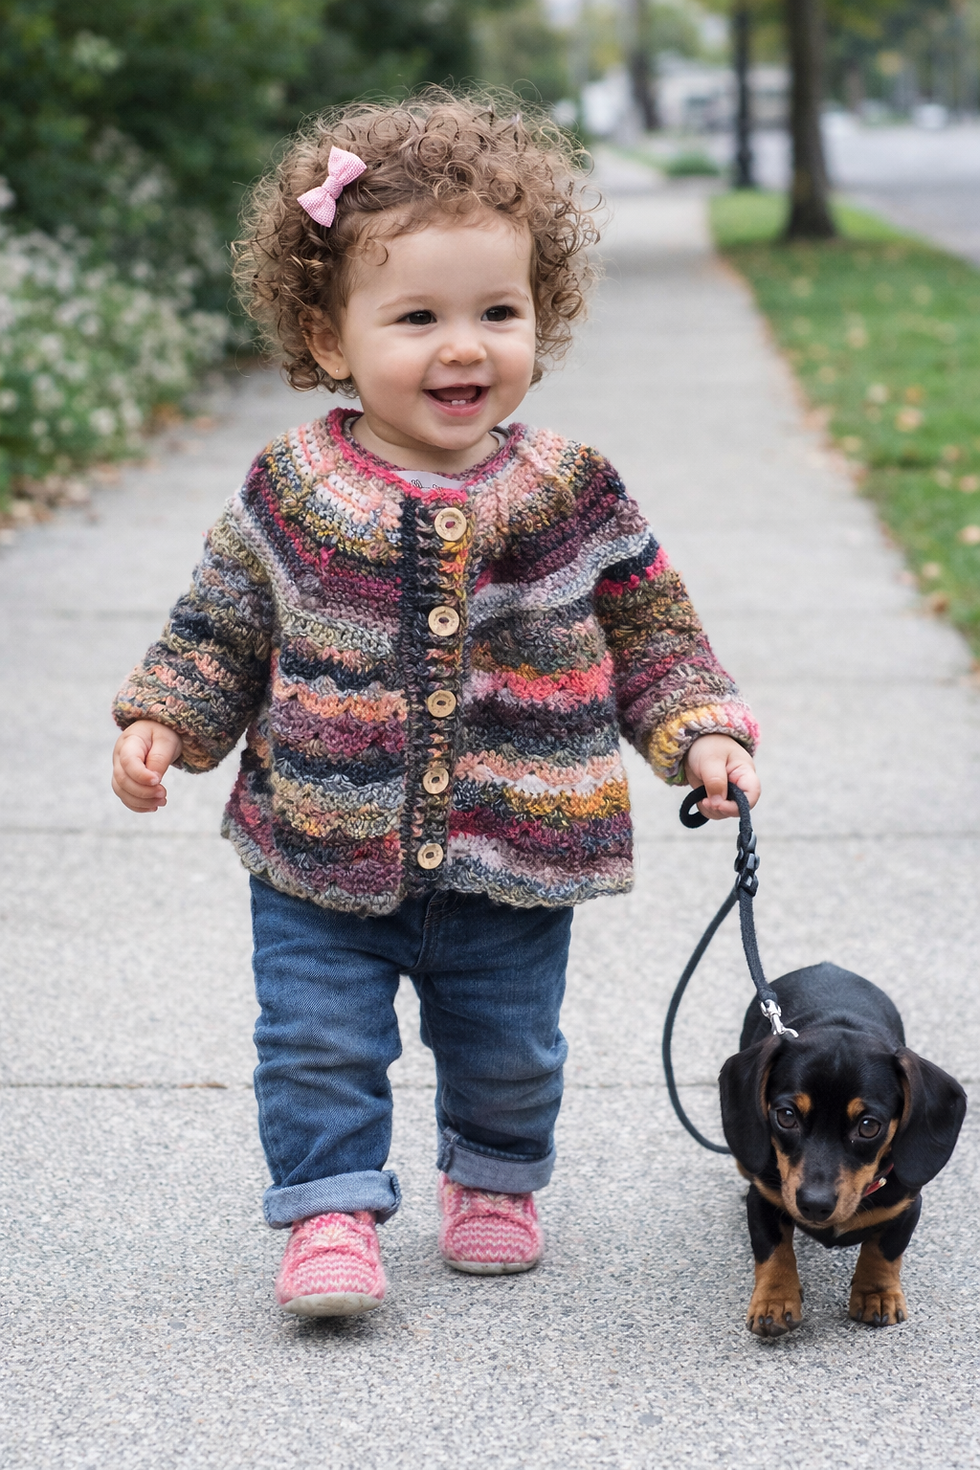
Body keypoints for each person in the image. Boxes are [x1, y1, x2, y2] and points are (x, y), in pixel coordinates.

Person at [110, 91, 760, 1318]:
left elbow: (652, 631)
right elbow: (221, 622)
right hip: (317, 848)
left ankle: (494, 1178)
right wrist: (168, 717)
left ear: (541, 314)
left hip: (516, 848)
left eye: (496, 313)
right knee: (313, 1043)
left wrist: (701, 732)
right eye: (417, 318)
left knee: (510, 1047)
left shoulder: (569, 489)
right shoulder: (294, 487)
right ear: (329, 334)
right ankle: (330, 1209)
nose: (463, 348)